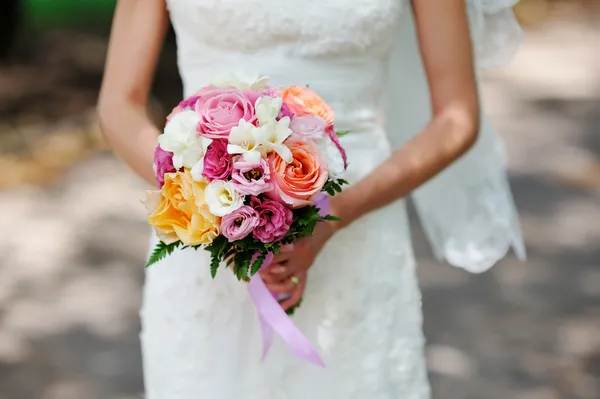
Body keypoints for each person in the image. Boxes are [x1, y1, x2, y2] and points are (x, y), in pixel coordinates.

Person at [98, 0, 526, 398]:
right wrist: (204, 199)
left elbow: (457, 117)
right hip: (204, 239)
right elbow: (119, 104)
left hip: (358, 223)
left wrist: (336, 213)